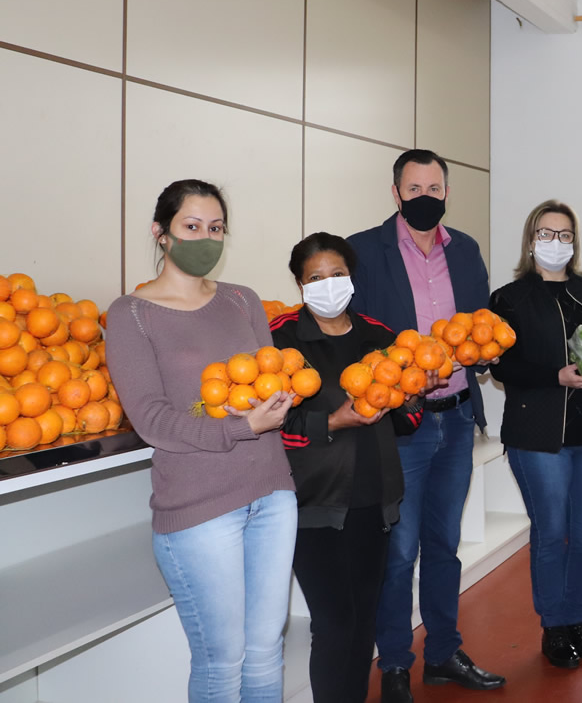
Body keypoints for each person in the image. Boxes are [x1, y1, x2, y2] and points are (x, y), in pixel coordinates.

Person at [105, 179, 295, 703]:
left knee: (265, 652)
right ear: (161, 233)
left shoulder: (242, 299)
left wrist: (275, 404)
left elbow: (270, 379)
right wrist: (240, 426)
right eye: (192, 227)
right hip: (199, 510)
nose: (205, 239)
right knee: (221, 661)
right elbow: (152, 419)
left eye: (216, 229)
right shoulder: (131, 314)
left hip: (272, 493)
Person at [347, 150, 504, 700]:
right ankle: (393, 662)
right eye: (414, 189)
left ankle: (442, 652)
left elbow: (482, 324)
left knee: (445, 544)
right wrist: (406, 373)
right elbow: (356, 336)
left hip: (458, 418)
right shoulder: (363, 251)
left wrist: (480, 357)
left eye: (434, 188)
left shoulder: (466, 250)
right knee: (400, 549)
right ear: (395, 193)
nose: (425, 198)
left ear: (446, 191)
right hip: (400, 425)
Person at [270, 232, 436, 703]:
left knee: (364, 622)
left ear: (352, 277)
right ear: (299, 284)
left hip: (375, 498)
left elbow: (406, 421)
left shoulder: (379, 336)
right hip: (313, 502)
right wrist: (334, 420)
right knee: (334, 624)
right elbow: (273, 425)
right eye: (316, 277)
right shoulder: (282, 339)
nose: (328, 284)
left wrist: (418, 390)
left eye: (338, 274)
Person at [488, 200, 582, 669]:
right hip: (538, 433)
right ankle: (553, 625)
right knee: (553, 532)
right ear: (531, 241)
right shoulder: (509, 298)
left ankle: (577, 617)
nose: (556, 243)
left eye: (565, 235)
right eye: (547, 234)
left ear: (575, 243)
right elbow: (501, 365)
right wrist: (555, 375)